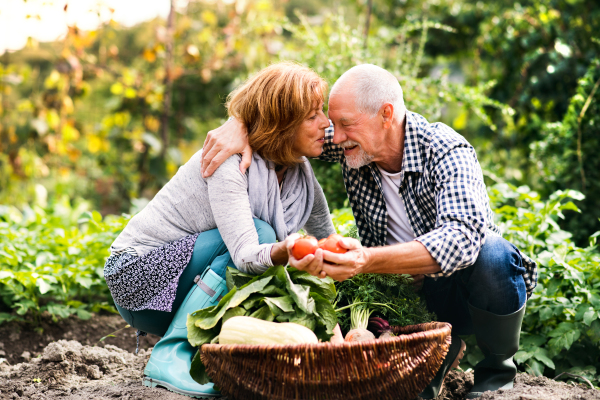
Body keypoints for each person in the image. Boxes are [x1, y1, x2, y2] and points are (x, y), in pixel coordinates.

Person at [200, 63, 537, 399]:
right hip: (405, 300)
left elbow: (462, 240)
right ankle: (434, 355)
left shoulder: (446, 151)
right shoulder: (356, 143)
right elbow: (281, 115)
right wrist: (238, 124)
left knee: (493, 254)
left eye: (345, 124)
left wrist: (367, 260)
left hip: (462, 292)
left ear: (386, 114)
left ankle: (496, 372)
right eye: (333, 124)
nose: (336, 136)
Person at [103, 62, 337, 398]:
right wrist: (286, 250)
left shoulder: (301, 177)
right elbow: (245, 255)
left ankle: (204, 356)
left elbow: (327, 239)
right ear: (282, 123)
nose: (326, 124)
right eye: (313, 115)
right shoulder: (230, 162)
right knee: (262, 234)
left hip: (183, 280)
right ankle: (170, 354)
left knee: (269, 250)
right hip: (138, 278)